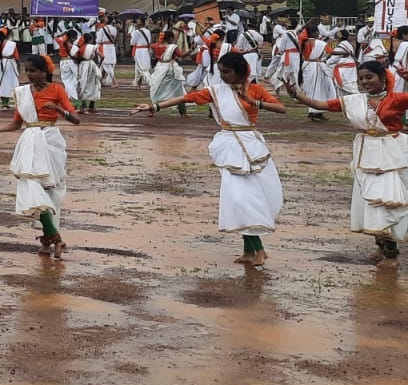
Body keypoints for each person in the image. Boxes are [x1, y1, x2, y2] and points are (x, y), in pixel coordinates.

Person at [134, 52, 286, 267]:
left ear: (240, 72)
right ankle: (250, 250)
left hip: (251, 147)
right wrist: (154, 106)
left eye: (227, 72)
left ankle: (258, 250)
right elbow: (188, 98)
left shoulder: (255, 89)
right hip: (230, 148)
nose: (222, 76)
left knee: (244, 200)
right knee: (236, 199)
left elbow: (281, 108)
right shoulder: (216, 91)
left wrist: (254, 102)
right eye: (220, 71)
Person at [284, 60, 408, 268]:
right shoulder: (353, 100)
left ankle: (392, 255)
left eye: (369, 77)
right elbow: (321, 105)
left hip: (392, 156)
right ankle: (380, 245)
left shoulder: (396, 99)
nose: (364, 82)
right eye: (361, 78)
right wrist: (296, 94)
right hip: (366, 155)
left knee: (386, 202)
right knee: (370, 201)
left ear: (382, 79)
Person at [0, 54, 81, 258]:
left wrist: (59, 110)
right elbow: (17, 123)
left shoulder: (57, 89)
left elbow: (76, 119)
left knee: (49, 192)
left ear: (44, 72)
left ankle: (48, 239)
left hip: (50, 141)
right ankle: (54, 239)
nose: (29, 75)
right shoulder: (23, 92)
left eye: (33, 71)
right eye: (27, 71)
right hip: (30, 141)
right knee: (32, 187)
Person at [300, 24, 337, 121]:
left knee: (314, 89)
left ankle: (318, 112)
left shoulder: (303, 42)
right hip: (316, 67)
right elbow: (331, 52)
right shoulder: (319, 43)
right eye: (317, 31)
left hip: (307, 65)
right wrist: (345, 53)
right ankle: (312, 112)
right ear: (314, 33)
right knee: (317, 89)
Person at [150, 30, 189, 116]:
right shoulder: (172, 47)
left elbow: (153, 53)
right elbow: (181, 55)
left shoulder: (155, 46)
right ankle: (183, 112)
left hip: (159, 68)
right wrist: (190, 50)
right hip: (171, 70)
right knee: (179, 91)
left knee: (156, 89)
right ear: (170, 38)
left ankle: (152, 110)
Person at [0, 26, 20, 110]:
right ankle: (17, 103)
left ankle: (4, 104)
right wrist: (18, 67)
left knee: (2, 85)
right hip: (10, 65)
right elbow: (17, 58)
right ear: (8, 35)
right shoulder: (12, 45)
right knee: (11, 83)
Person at [74, 41, 103, 114]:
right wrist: (99, 64)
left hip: (82, 66)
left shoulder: (80, 47)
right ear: (90, 40)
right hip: (91, 66)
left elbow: (75, 56)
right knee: (94, 85)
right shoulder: (92, 47)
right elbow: (102, 56)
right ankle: (91, 106)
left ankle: (83, 106)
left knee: (83, 85)